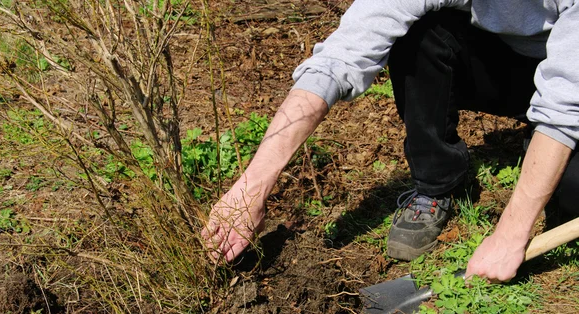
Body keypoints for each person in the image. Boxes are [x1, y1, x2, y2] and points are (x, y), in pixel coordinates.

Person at [202, 0, 579, 283]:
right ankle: (437, 185)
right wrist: (252, 187)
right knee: (420, 33)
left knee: (570, 195)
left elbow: (565, 105)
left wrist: (510, 235)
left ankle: (549, 157)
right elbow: (336, 60)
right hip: (507, 62)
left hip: (571, 73)